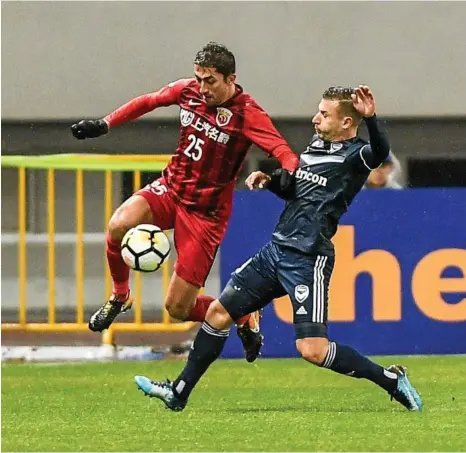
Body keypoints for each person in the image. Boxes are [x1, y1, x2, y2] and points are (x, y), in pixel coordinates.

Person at [133, 85, 423, 412]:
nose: (315, 119)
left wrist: (371, 118)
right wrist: (270, 181)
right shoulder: (316, 146)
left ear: (346, 123)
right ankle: (178, 393)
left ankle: (391, 380)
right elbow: (295, 189)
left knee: (312, 349)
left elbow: (380, 149)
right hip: (276, 249)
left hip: (307, 257)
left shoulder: (355, 155)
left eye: (324, 115)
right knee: (217, 314)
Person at [70, 42, 299, 362]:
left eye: (211, 81)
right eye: (199, 79)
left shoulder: (247, 114)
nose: (202, 87)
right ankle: (120, 296)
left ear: (231, 79)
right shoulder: (188, 91)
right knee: (119, 224)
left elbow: (283, 150)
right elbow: (148, 101)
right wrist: (104, 124)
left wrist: (288, 172)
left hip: (205, 214)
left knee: (178, 307)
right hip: (171, 189)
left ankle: (244, 316)